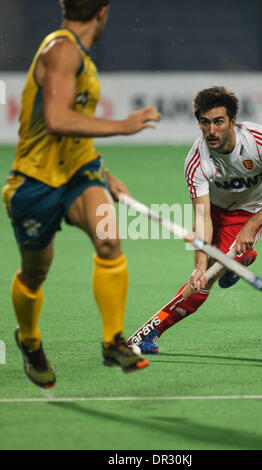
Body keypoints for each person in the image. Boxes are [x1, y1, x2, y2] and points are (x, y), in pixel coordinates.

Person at [2, 0, 161, 388]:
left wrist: (103, 173)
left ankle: (113, 341)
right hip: (35, 182)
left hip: (79, 174)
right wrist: (124, 126)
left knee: (109, 240)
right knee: (35, 272)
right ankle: (30, 339)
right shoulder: (63, 49)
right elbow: (57, 120)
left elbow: (75, 131)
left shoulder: (77, 55)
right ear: (103, 12)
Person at [138, 86, 262, 354]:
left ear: (233, 121)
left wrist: (252, 225)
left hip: (251, 210)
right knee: (202, 274)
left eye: (219, 122)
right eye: (205, 122)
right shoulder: (197, 162)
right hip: (215, 210)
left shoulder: (260, 140)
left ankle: (151, 332)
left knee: (210, 277)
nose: (211, 130)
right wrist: (198, 264)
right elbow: (202, 216)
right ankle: (237, 261)